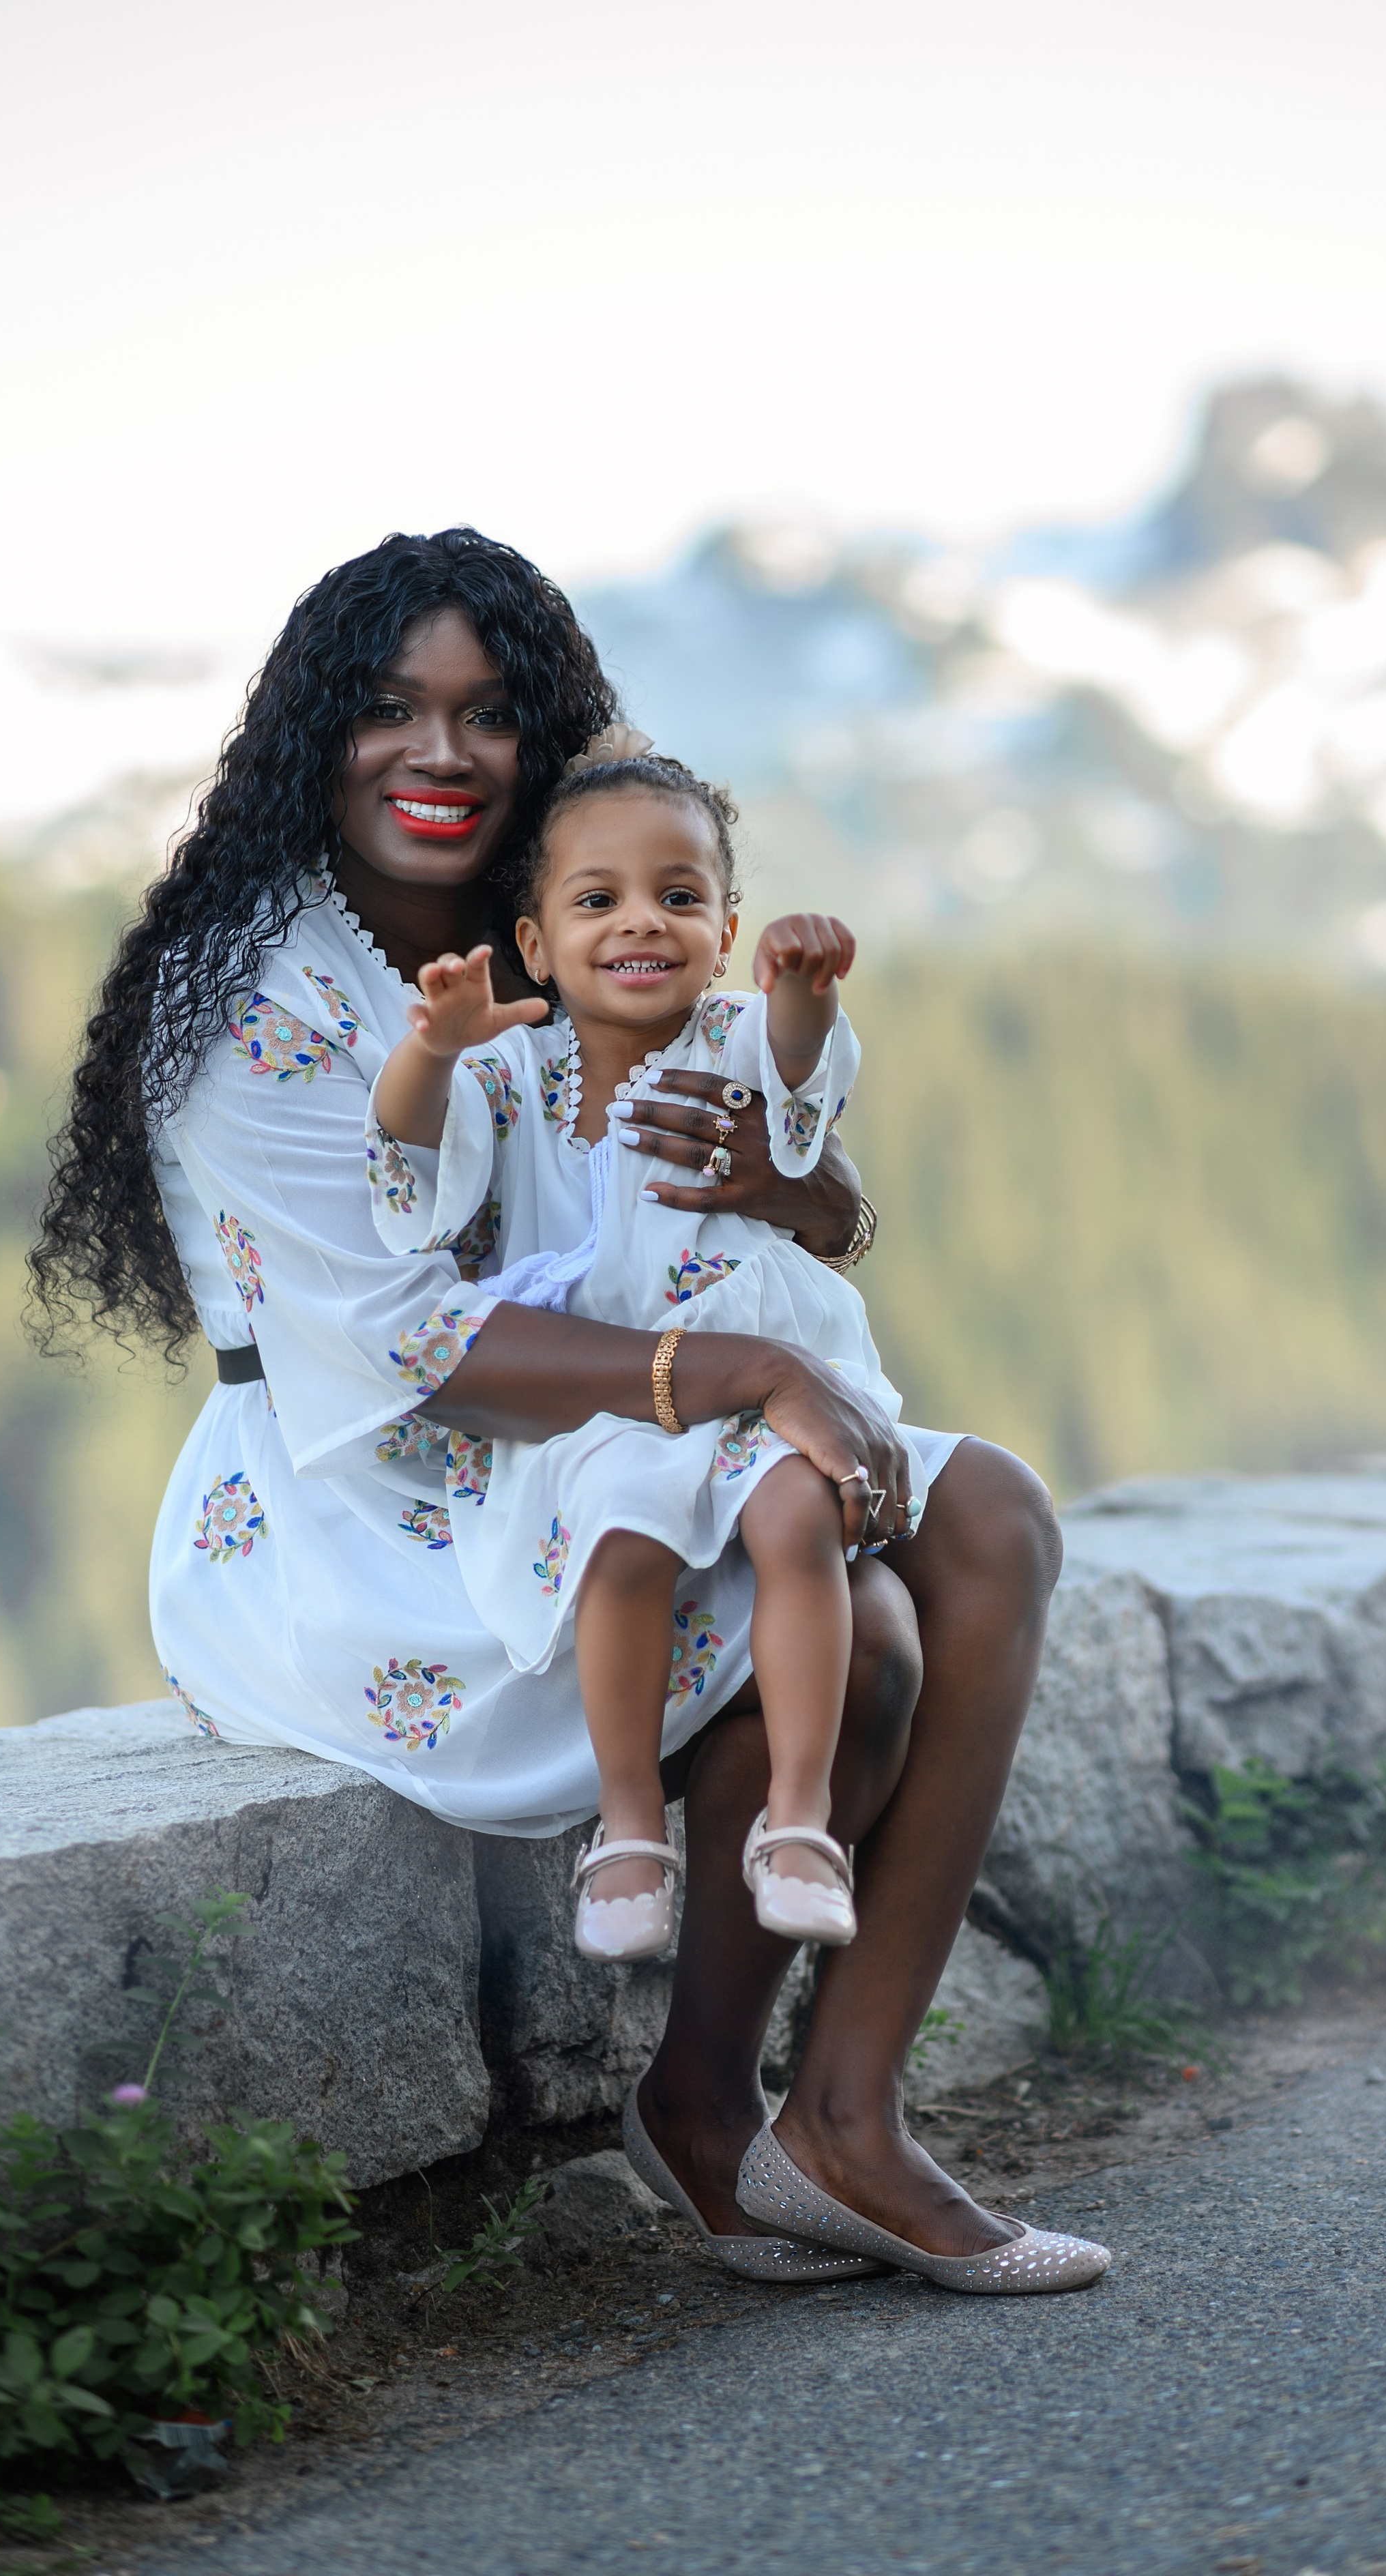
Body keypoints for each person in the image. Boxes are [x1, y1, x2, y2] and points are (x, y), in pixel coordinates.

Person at [31, 527, 1108, 2295]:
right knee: (869, 1638)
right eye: (389, 709)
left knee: (992, 1518)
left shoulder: (591, 902)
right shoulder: (252, 998)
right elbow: (405, 1344)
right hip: (369, 1495)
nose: (439, 753)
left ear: (548, 739)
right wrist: (753, 1376)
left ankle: (849, 2118)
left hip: (628, 1402)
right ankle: (702, 2111)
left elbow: (780, 1206)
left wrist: (794, 1195)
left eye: (487, 712)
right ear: (315, 724)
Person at [368, 746, 958, 1965]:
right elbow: (411, 1174)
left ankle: (799, 1820)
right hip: (616, 1404)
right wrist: (431, 1045)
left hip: (756, 1378)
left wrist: (801, 987)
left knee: (798, 1527)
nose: (643, 922)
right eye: (599, 901)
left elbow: (803, 1098)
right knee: (622, 1552)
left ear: (725, 927)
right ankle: (632, 1827)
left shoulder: (733, 1038)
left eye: (680, 898)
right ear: (535, 943)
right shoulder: (509, 1071)